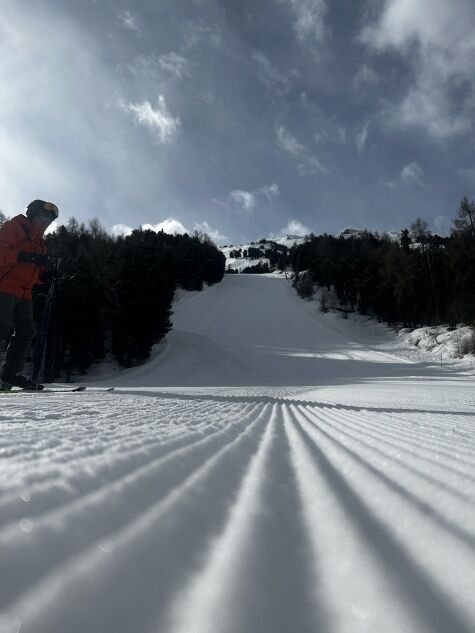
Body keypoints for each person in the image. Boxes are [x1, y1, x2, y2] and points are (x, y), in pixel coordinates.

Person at [0, 200, 59, 390]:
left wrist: (46, 276)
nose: (45, 224)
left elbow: (34, 272)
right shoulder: (14, 227)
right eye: (42, 219)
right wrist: (26, 256)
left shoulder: (41, 243)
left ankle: (11, 374)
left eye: (48, 222)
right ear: (32, 216)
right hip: (4, 285)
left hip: (25, 292)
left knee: (26, 331)